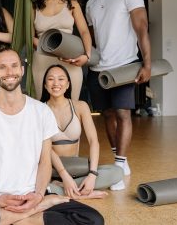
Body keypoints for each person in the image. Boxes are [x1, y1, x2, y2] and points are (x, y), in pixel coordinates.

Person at [0, 47, 104, 225]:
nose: (9, 72)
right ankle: (30, 215)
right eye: (2, 67)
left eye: (14, 66)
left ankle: (10, 217)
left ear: (22, 70)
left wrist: (39, 196)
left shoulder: (41, 111)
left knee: (94, 219)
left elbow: (44, 161)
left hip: (34, 195)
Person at [86, 0, 152, 190]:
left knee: (123, 113)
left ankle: (120, 164)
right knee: (107, 115)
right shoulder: (91, 3)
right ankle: (119, 160)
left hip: (124, 65)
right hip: (98, 68)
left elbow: (141, 26)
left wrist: (147, 63)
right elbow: (91, 39)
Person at [40, 65, 123, 196]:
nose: (56, 83)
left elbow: (93, 141)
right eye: (51, 79)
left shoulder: (80, 106)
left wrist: (92, 175)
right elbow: (46, 148)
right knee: (29, 179)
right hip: (51, 169)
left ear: (67, 84)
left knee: (117, 172)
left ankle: (58, 190)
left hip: (76, 167)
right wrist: (64, 175)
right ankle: (82, 194)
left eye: (61, 79)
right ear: (45, 85)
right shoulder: (40, 110)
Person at [32, 0, 93, 101]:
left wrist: (87, 56)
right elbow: (29, 36)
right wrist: (48, 47)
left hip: (69, 59)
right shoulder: (34, 3)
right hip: (42, 59)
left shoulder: (72, 2)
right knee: (43, 107)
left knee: (71, 105)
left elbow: (84, 31)